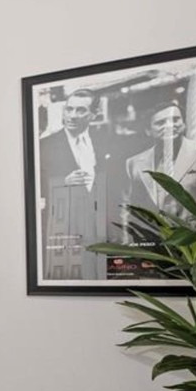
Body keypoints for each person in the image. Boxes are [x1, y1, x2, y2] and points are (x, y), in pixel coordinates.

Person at [36, 89, 123, 280]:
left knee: (100, 276)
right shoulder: (43, 146)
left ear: (93, 114)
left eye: (80, 110)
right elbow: (31, 190)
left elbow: (116, 184)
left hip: (101, 227)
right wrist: (62, 183)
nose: (72, 116)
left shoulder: (106, 142)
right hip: (64, 229)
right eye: (69, 109)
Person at [121, 101, 196, 233]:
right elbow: (129, 208)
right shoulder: (134, 163)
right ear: (148, 130)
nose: (169, 126)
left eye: (175, 119)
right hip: (154, 243)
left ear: (184, 124)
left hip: (195, 241)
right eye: (160, 123)